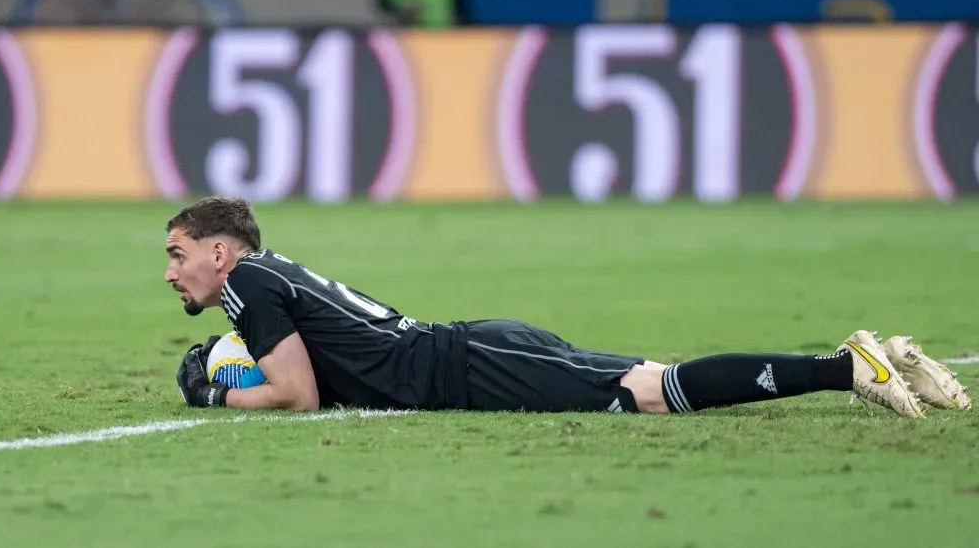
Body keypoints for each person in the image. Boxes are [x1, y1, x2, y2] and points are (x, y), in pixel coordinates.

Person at [164, 197, 970, 418]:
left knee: (650, 392)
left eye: (177, 252)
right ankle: (870, 353)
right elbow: (323, 375)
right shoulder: (268, 278)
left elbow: (297, 396)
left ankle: (844, 369)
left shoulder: (248, 284)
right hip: (470, 358)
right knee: (653, 385)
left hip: (471, 366)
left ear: (218, 250)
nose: (172, 272)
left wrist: (215, 391)